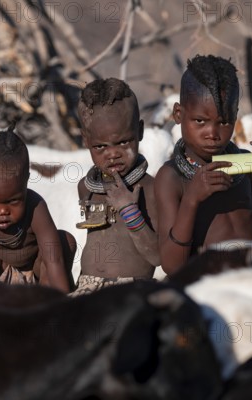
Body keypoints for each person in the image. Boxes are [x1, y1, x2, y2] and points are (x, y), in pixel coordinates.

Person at [155, 54, 252, 275]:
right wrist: (191, 199)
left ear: (235, 117)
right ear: (178, 114)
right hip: (207, 288)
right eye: (200, 121)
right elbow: (171, 265)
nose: (213, 134)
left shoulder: (244, 165)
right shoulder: (171, 177)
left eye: (224, 122)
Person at [71, 77, 160, 296]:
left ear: (139, 131)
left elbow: (158, 256)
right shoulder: (87, 187)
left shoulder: (150, 188)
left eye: (123, 142)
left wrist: (129, 210)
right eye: (100, 146)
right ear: (85, 140)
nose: (112, 154)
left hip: (131, 291)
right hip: (87, 288)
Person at [0, 128, 76, 293]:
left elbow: (54, 260)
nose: (2, 211)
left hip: (37, 278)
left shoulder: (36, 207)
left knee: (65, 241)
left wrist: (61, 304)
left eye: (13, 201)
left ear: (26, 181)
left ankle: (47, 299)